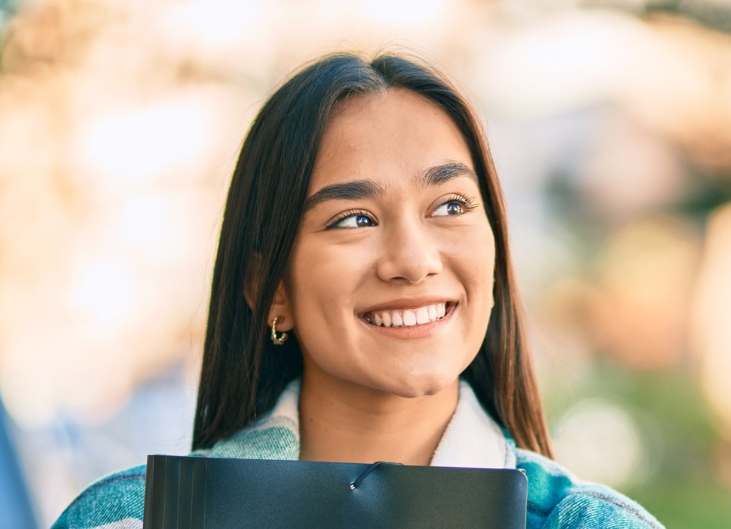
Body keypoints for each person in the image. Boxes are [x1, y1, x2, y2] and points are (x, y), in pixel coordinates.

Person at [52, 52, 662, 528]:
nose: (414, 260)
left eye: (450, 205)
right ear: (271, 290)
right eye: (354, 219)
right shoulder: (131, 519)